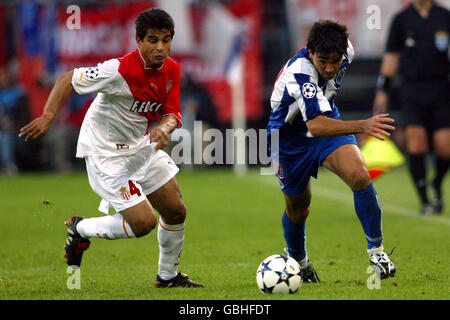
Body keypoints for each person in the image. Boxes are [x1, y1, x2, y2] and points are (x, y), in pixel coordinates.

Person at [19, 8, 203, 288]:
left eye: (166, 40)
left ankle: (167, 277)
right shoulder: (118, 70)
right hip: (106, 154)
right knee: (143, 223)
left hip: (141, 147)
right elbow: (68, 78)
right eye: (153, 40)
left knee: (176, 211)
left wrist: (164, 130)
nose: (160, 47)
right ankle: (80, 228)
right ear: (139, 40)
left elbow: (172, 113)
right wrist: (47, 117)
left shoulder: (172, 71)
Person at [267, 20, 396, 282]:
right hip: (289, 139)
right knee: (298, 208)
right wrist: (363, 125)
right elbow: (315, 125)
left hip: (325, 122)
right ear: (310, 51)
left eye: (335, 61)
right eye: (322, 60)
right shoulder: (300, 73)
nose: (328, 68)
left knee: (360, 175)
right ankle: (299, 261)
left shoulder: (346, 50)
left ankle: (377, 252)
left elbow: (321, 120)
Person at [373, 0, 449, 215]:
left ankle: (436, 183)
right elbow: (391, 57)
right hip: (412, 89)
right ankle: (425, 200)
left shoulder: (444, 16)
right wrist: (383, 90)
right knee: (416, 142)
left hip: (441, 87)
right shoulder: (401, 19)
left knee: (446, 147)